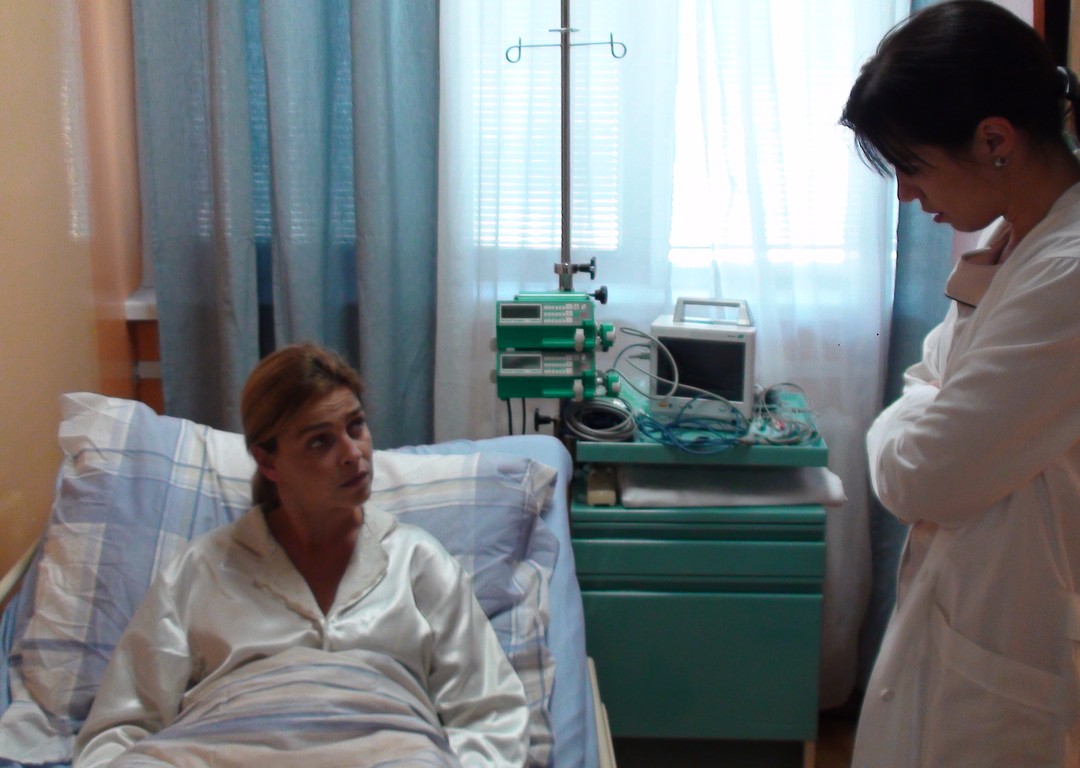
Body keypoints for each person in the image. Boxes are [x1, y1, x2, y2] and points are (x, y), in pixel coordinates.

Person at [74, 343, 530, 767]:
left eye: (355, 426)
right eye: (319, 441)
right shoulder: (203, 570)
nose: (353, 454)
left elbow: (489, 717)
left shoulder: (418, 563)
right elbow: (120, 726)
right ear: (268, 462)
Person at [841, 1, 1080, 765]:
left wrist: (908, 418)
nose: (906, 196)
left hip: (1010, 642)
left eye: (912, 166)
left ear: (994, 140)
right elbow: (925, 381)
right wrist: (924, 408)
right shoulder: (1015, 243)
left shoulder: (1068, 275)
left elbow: (923, 476)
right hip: (967, 616)